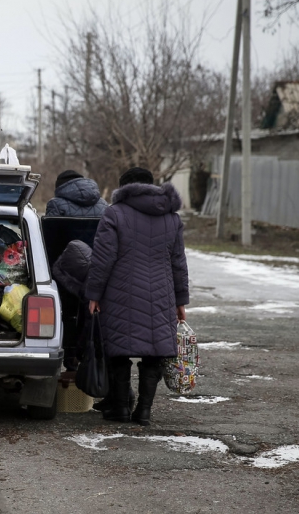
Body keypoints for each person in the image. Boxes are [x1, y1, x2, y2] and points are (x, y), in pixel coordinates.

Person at [83, 167, 189, 426]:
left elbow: (102, 259)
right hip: (161, 295)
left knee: (117, 351)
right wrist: (180, 299)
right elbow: (178, 262)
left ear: (123, 188)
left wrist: (94, 293)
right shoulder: (171, 218)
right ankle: (143, 411)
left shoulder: (114, 213)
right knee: (153, 353)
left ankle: (119, 408)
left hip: (121, 293)